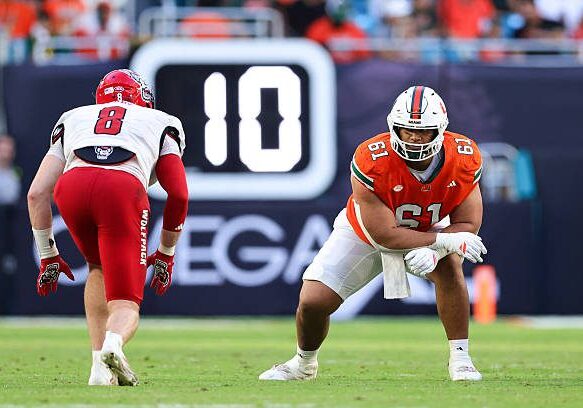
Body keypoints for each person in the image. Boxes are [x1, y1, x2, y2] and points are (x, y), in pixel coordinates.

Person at [259, 85, 488, 382]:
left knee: (450, 268)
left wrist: (438, 249)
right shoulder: (372, 157)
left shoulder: (463, 156)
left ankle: (461, 359)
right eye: (407, 130)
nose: (415, 137)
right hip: (363, 233)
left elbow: (468, 223)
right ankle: (303, 364)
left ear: (441, 130)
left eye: (424, 131)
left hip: (427, 229)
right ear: (394, 127)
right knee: (313, 302)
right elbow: (385, 235)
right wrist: (442, 241)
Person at [27, 69, 188, 386]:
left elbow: (36, 193)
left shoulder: (73, 117)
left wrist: (48, 253)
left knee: (97, 267)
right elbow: (179, 194)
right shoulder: (161, 121)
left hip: (71, 187)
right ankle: (112, 346)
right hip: (121, 188)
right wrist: (167, 253)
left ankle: (99, 369)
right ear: (143, 98)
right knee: (127, 303)